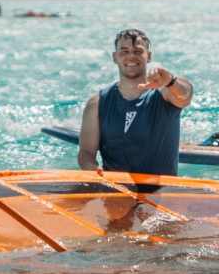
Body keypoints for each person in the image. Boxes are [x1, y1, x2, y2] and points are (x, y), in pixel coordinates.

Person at [78, 29, 193, 175]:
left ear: (148, 56)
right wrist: (93, 169)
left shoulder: (165, 93)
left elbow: (185, 95)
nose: (131, 56)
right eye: (124, 51)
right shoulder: (96, 104)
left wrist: (171, 81)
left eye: (138, 51)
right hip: (116, 191)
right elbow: (86, 152)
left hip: (160, 193)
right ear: (115, 57)